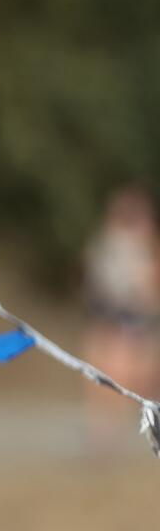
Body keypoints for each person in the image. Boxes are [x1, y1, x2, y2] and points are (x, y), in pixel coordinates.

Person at [81, 183, 160, 448]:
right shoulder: (111, 244)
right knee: (109, 374)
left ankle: (113, 429)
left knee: (138, 376)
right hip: (114, 317)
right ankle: (104, 431)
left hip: (134, 320)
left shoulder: (141, 246)